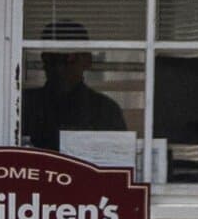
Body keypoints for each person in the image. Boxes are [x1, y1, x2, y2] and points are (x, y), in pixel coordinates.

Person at [19, 20, 126, 149]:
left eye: (69, 58)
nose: (59, 67)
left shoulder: (105, 110)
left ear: (87, 60)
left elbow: (118, 160)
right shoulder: (22, 106)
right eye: (52, 58)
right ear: (44, 60)